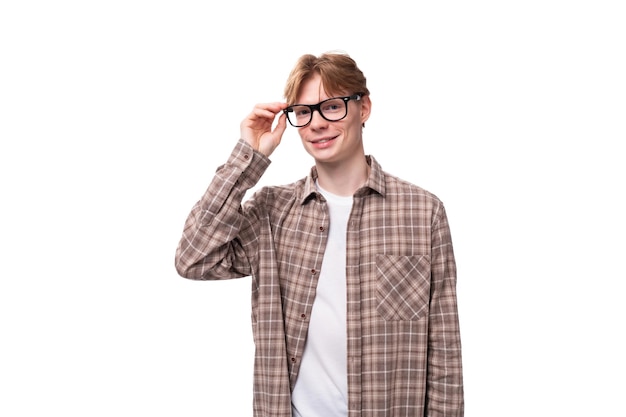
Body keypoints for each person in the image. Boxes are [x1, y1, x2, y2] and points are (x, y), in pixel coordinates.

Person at [174, 51, 464, 417]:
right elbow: (193, 258)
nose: (316, 124)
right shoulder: (271, 212)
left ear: (364, 108)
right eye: (303, 112)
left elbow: (444, 350)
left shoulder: (422, 212)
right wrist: (247, 158)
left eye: (332, 106)